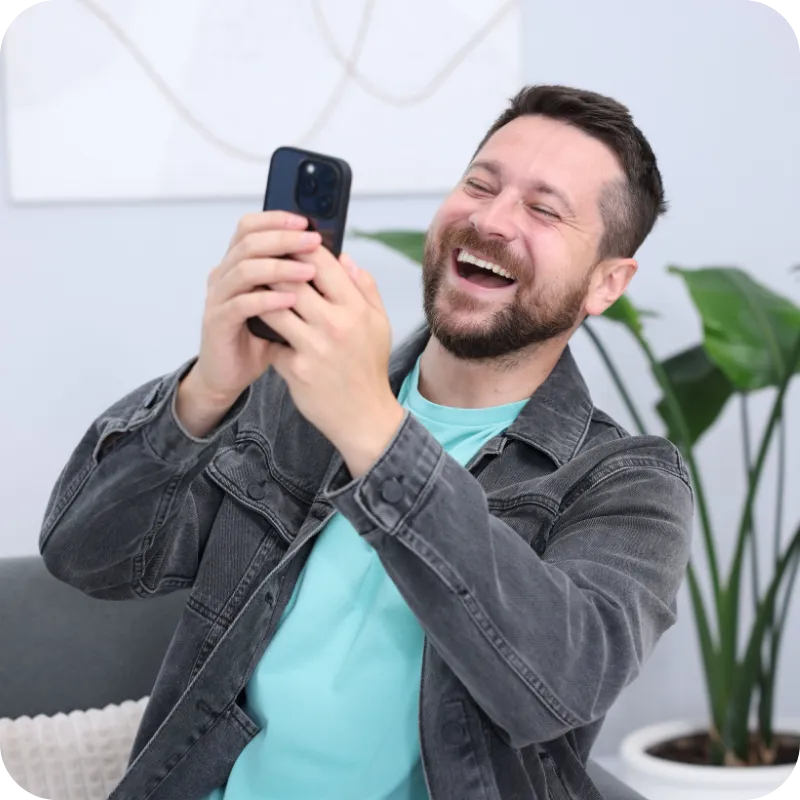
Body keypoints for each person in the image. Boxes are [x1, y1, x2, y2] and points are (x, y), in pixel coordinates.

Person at [39, 84, 694, 800]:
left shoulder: (626, 483)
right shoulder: (287, 397)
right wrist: (206, 390)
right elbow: (85, 556)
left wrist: (371, 427)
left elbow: (559, 685)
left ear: (607, 283)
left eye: (543, 209)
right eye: (479, 183)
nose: (492, 219)